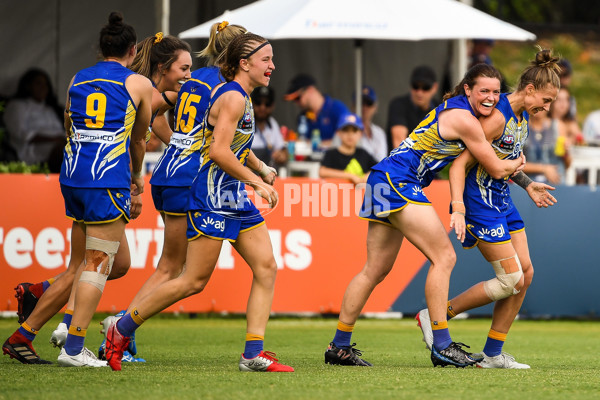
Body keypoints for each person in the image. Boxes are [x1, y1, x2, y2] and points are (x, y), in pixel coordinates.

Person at [103, 32, 293, 373]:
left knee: (267, 267)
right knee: (192, 280)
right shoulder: (233, 97)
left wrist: (258, 172)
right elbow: (219, 151)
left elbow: (228, 145)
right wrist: (256, 181)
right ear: (244, 63)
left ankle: (253, 354)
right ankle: (121, 328)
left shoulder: (239, 95)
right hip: (211, 196)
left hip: (232, 195)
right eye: (266, 60)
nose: (272, 66)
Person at [324, 63, 525, 368]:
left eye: (497, 92)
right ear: (468, 89)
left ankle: (339, 346)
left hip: (382, 177)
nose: (492, 98)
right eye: (484, 91)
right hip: (399, 180)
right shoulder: (466, 120)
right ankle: (442, 345)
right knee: (444, 258)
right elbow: (497, 168)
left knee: (374, 270)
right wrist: (518, 163)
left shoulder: (456, 108)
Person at [98, 21, 244, 361]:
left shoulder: (194, 81)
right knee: (171, 269)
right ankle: (119, 329)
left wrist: (176, 142)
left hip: (167, 173)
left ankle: (121, 330)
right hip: (188, 178)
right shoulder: (228, 87)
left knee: (172, 267)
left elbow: (152, 110)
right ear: (240, 55)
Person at [417, 48, 561, 369]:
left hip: (502, 199)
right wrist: (458, 208)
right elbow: (459, 166)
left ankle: (493, 354)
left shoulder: (522, 116)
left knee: (525, 273)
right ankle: (436, 314)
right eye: (546, 101)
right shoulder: (498, 116)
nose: (547, 108)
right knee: (510, 279)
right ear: (530, 90)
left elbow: (502, 160)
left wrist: (527, 183)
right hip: (480, 202)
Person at [3, 68, 66, 172]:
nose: (43, 88)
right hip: (33, 151)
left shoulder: (49, 109)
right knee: (67, 152)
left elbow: (61, 132)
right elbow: (22, 135)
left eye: (46, 84)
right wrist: (55, 140)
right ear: (27, 86)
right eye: (39, 84)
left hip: (59, 145)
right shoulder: (17, 106)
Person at [284, 73, 350, 148]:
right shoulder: (302, 117)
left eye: (298, 98)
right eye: (294, 100)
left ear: (310, 90)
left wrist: (313, 145)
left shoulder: (337, 109)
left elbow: (347, 141)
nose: (296, 103)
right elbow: (302, 143)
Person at [386, 65, 438, 150]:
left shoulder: (440, 107)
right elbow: (400, 146)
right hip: (404, 162)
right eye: (415, 86)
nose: (419, 92)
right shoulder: (398, 105)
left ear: (435, 87)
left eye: (425, 87)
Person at [319, 113, 377, 184]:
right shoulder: (331, 154)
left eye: (354, 130)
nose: (350, 134)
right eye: (346, 130)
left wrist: (368, 176)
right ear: (338, 133)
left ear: (360, 134)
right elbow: (322, 172)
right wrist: (350, 176)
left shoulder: (363, 153)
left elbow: (380, 169)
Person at [251, 85, 287, 166]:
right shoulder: (243, 122)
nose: (262, 108)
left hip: (266, 174)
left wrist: (281, 155)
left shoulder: (272, 124)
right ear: (251, 103)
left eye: (267, 104)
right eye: (258, 102)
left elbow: (282, 150)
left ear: (273, 106)